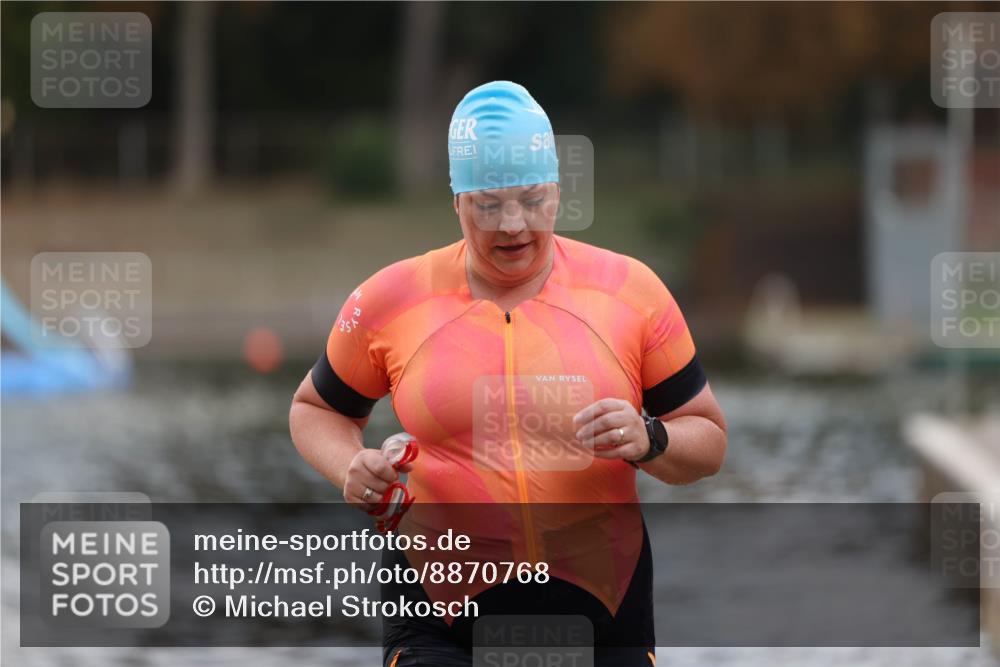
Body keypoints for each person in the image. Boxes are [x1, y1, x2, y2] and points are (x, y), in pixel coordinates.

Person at [289, 80, 727, 667]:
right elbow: (316, 409)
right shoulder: (392, 298)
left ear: (558, 192)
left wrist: (652, 438)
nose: (513, 224)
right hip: (438, 621)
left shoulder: (630, 292)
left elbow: (709, 440)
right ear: (457, 202)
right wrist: (351, 465)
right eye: (488, 204)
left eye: (532, 198)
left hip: (603, 616)